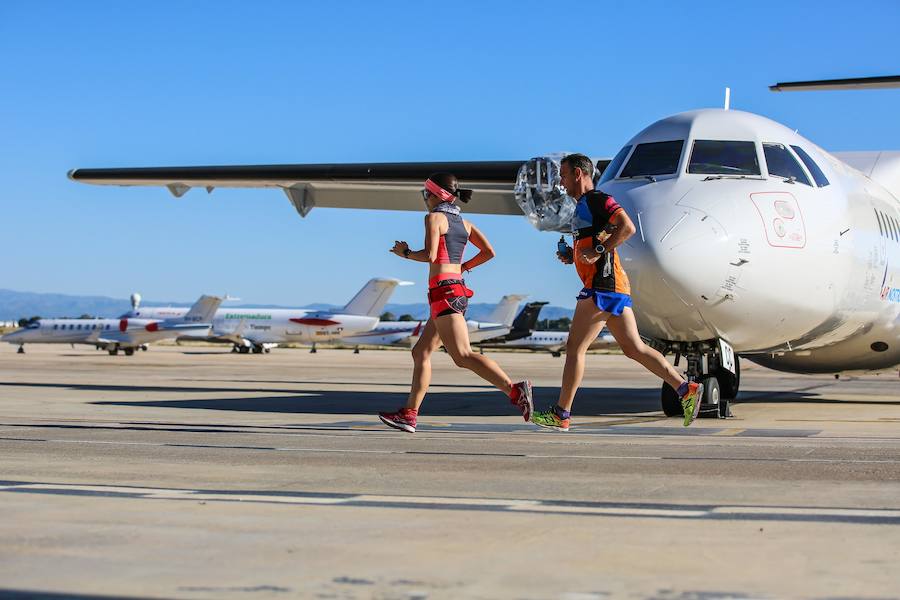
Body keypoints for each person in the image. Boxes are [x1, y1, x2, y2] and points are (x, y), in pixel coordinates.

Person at [530, 154, 703, 432]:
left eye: (563, 176)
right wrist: (573, 256)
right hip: (612, 286)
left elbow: (627, 227)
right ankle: (685, 388)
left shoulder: (597, 199)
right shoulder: (583, 207)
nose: (560, 183)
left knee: (575, 348)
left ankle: (561, 414)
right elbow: (593, 244)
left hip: (603, 287)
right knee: (634, 348)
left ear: (577, 173)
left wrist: (597, 250)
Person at [378, 173, 533, 433]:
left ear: (436, 195)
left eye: (425, 194)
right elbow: (489, 252)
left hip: (444, 294)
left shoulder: (434, 218)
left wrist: (404, 252)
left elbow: (429, 255)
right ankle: (409, 414)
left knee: (462, 356)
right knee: (421, 352)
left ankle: (515, 390)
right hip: (453, 291)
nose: (424, 199)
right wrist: (463, 267)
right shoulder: (465, 223)